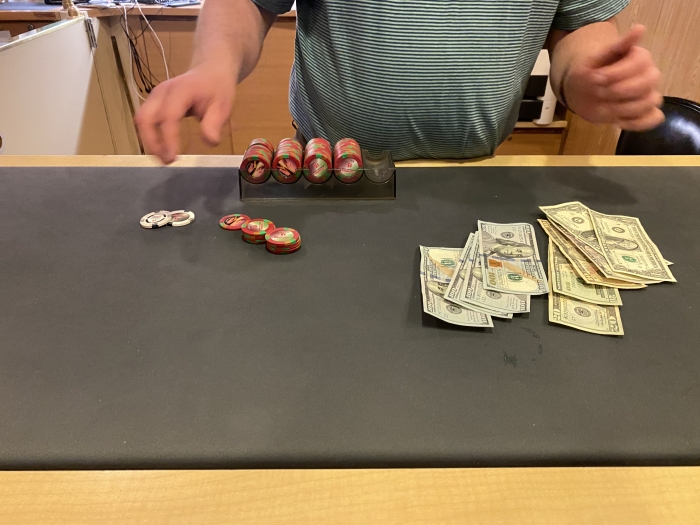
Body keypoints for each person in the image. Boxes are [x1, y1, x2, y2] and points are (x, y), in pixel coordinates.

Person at [136, 0, 664, 164]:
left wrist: (587, 76)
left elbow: (578, 26)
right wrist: (214, 63)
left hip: (474, 179)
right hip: (329, 169)